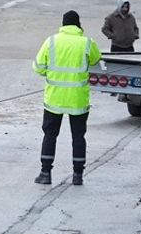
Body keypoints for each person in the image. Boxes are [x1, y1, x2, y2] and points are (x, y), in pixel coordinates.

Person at [32, 10, 102, 186]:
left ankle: (45, 173)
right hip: (77, 100)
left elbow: (38, 67)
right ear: (78, 25)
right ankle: (77, 175)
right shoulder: (87, 42)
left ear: (63, 25)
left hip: (54, 100)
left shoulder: (52, 41)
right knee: (78, 137)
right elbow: (95, 59)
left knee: (50, 135)